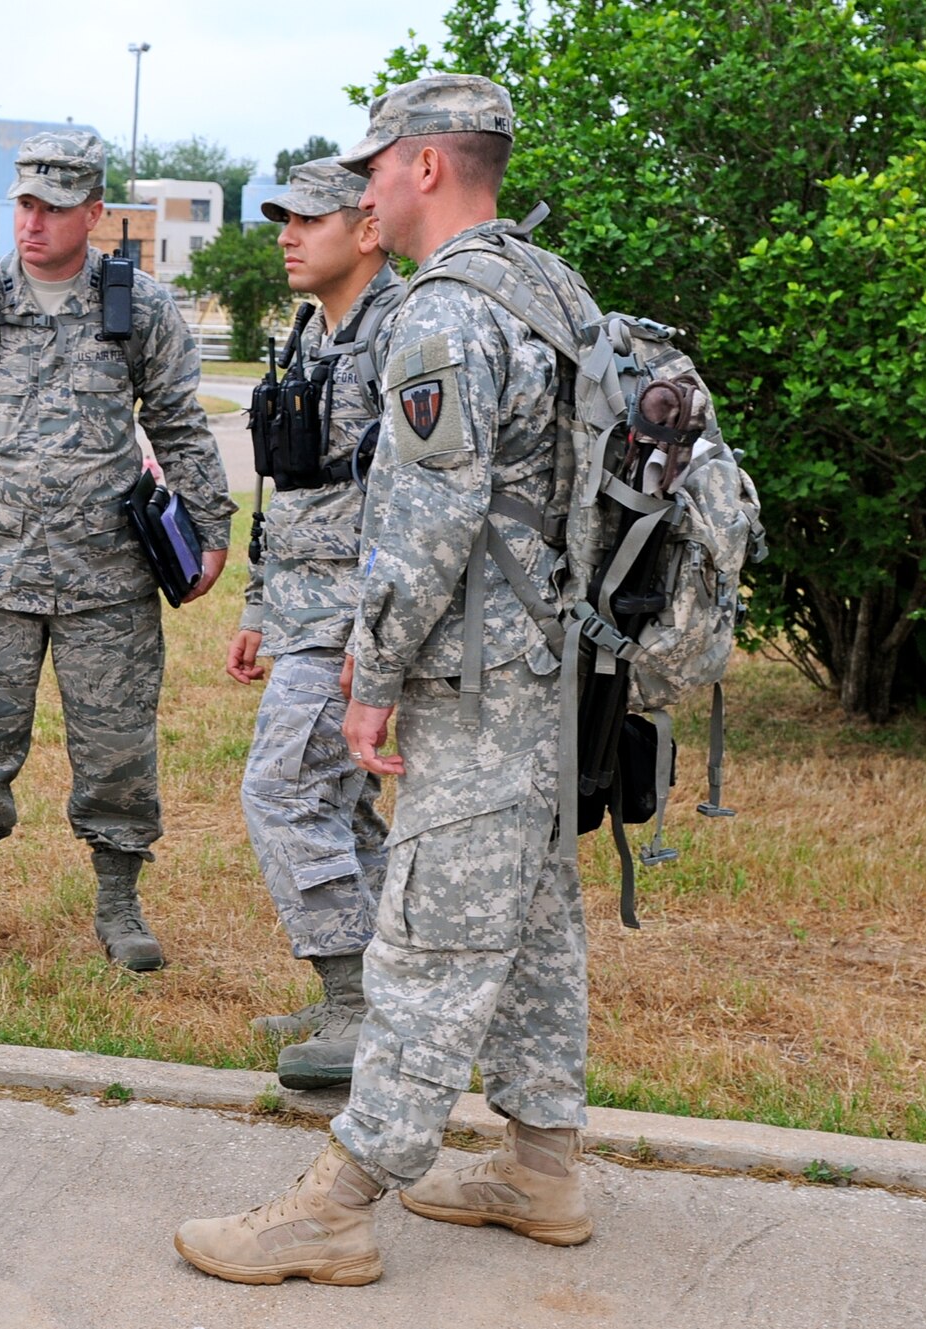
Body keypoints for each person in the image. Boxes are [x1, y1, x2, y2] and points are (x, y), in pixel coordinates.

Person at [176, 74, 594, 1285]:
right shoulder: (543, 285)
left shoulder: (443, 318)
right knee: (531, 921)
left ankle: (340, 1201)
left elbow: (424, 523)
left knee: (425, 932)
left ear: (423, 165)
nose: (360, 187)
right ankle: (540, 1165)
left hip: (476, 672)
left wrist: (371, 672)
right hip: (550, 662)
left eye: (372, 166)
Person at [0, 129, 235, 971]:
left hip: (108, 576)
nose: (33, 222)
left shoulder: (138, 306)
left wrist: (211, 529)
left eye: (52, 207)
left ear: (93, 213)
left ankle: (120, 907)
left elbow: (181, 422)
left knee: (117, 753)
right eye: (23, 205)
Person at [230, 158, 403, 1089]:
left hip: (353, 617)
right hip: (302, 606)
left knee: (283, 791)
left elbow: (410, 506)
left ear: (365, 229)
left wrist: (376, 645)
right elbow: (290, 483)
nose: (288, 235)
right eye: (281, 220)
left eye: (308, 220)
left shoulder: (395, 335)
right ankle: (376, 994)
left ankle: (353, 1001)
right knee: (342, 809)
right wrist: (260, 604)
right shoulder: (314, 332)